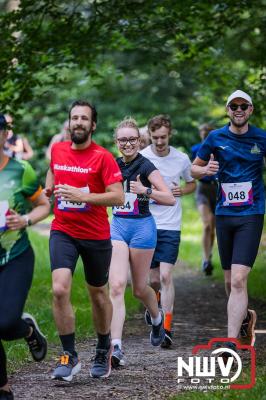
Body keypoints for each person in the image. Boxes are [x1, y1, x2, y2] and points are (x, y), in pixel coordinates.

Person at [45, 100, 124, 380]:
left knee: (98, 295)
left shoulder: (103, 157)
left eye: (84, 118)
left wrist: (84, 197)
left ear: (93, 125)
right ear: (69, 123)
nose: (78, 122)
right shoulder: (57, 150)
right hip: (63, 230)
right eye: (74, 118)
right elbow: (53, 171)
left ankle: (103, 348)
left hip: (95, 234)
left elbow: (118, 196)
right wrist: (49, 188)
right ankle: (69, 355)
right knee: (59, 289)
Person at [191, 90, 266, 354]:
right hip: (225, 215)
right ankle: (245, 317)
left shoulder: (261, 137)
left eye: (243, 105)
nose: (238, 109)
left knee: (237, 280)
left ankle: (231, 343)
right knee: (228, 282)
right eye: (233, 105)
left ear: (250, 110)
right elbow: (193, 168)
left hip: (252, 214)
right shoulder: (215, 138)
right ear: (227, 109)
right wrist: (205, 171)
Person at [109, 117, 175, 367]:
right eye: (123, 140)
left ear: (139, 141)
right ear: (117, 142)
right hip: (117, 227)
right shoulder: (112, 165)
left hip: (142, 229)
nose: (127, 144)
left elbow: (169, 198)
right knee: (116, 286)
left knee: (139, 289)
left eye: (132, 139)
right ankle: (116, 348)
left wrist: (145, 191)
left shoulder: (146, 167)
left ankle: (157, 318)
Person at [0, 114, 50, 400]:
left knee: (6, 325)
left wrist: (26, 220)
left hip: (15, 256)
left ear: (5, 134)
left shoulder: (22, 170)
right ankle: (3, 386)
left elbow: (44, 205)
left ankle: (27, 328)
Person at [141, 115, 196, 348]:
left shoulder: (181, 158)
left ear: (169, 134)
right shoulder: (143, 158)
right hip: (148, 223)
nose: (160, 142)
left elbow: (192, 182)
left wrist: (183, 190)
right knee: (152, 279)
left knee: (165, 276)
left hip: (171, 225)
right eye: (155, 138)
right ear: (150, 136)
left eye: (163, 137)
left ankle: (167, 328)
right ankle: (156, 305)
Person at [191, 123, 217, 275]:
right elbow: (191, 169)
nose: (204, 135)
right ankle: (206, 259)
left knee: (213, 227)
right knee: (207, 224)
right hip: (203, 189)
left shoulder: (219, 148)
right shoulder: (195, 149)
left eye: (207, 132)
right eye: (202, 132)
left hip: (218, 189)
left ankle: (209, 254)